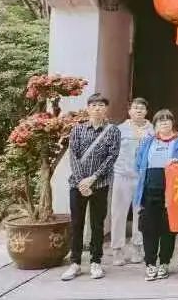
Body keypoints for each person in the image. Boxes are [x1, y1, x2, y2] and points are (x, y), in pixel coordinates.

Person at [61, 93, 121, 281]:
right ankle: (75, 263)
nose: (97, 108)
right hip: (77, 185)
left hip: (100, 184)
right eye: (93, 105)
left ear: (106, 109)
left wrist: (93, 179)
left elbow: (112, 157)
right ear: (88, 108)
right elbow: (73, 155)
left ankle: (96, 262)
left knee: (97, 224)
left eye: (101, 105)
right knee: (76, 224)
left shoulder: (112, 131)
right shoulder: (77, 130)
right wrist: (82, 181)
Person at [134, 109, 178, 281]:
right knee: (149, 228)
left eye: (167, 120)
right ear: (155, 125)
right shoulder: (148, 141)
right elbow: (138, 163)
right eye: (160, 120)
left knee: (168, 228)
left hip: (172, 191)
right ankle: (150, 263)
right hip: (149, 189)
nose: (164, 123)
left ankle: (164, 263)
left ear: (173, 123)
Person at [111, 97, 154, 267]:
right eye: (135, 107)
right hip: (122, 175)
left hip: (143, 177)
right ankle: (117, 249)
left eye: (142, 108)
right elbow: (112, 152)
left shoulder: (152, 130)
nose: (138, 110)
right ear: (129, 111)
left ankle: (137, 247)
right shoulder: (119, 129)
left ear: (146, 111)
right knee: (118, 213)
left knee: (140, 214)